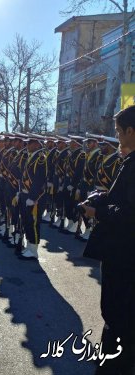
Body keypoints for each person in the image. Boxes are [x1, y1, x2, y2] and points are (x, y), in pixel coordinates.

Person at [82, 106, 135, 374]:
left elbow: (129, 212)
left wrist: (98, 210)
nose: (116, 137)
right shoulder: (129, 161)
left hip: (125, 254)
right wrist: (101, 199)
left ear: (130, 131)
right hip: (123, 252)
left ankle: (114, 365)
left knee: (118, 313)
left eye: (118, 131)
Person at [19, 135, 47, 260]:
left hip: (34, 197)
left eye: (30, 143)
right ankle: (29, 246)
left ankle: (34, 249)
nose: (27, 145)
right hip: (26, 194)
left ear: (37, 144)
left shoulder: (40, 158)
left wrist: (33, 197)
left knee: (34, 222)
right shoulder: (30, 157)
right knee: (27, 221)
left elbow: (39, 180)